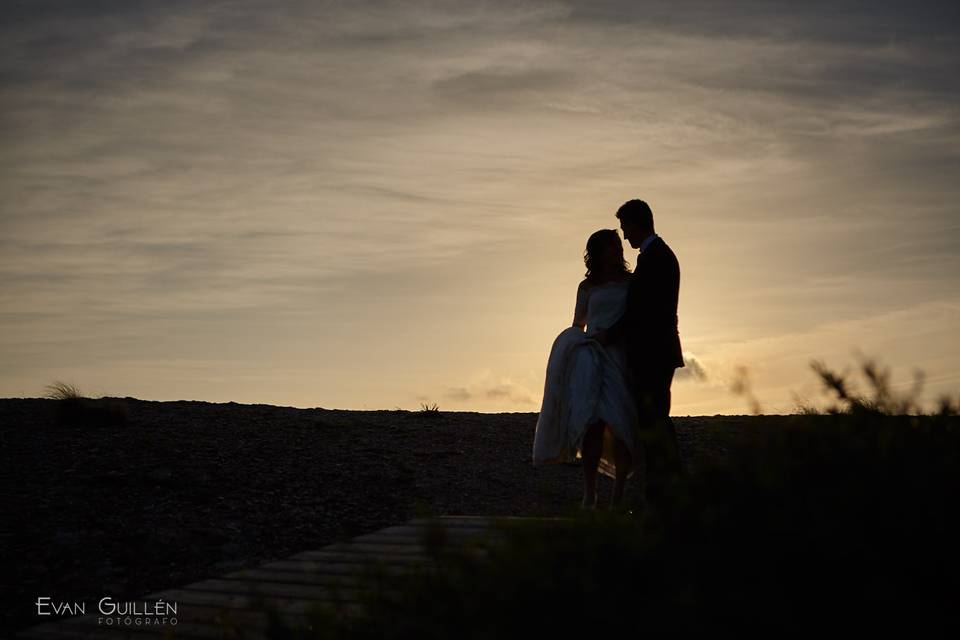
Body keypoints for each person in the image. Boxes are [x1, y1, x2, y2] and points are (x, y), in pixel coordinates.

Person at [533, 229, 639, 508]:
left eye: (619, 245)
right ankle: (589, 492)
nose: (618, 251)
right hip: (592, 360)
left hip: (621, 358)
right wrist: (574, 349)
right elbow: (579, 323)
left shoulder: (631, 282)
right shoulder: (587, 287)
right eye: (612, 247)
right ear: (598, 253)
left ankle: (618, 494)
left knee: (621, 423)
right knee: (592, 424)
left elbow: (634, 318)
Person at [595, 199, 684, 507]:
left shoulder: (656, 258)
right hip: (657, 351)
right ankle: (665, 491)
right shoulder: (658, 256)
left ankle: (665, 493)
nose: (624, 235)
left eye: (625, 228)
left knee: (654, 421)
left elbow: (640, 313)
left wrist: (610, 334)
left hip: (653, 353)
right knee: (656, 419)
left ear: (636, 224)